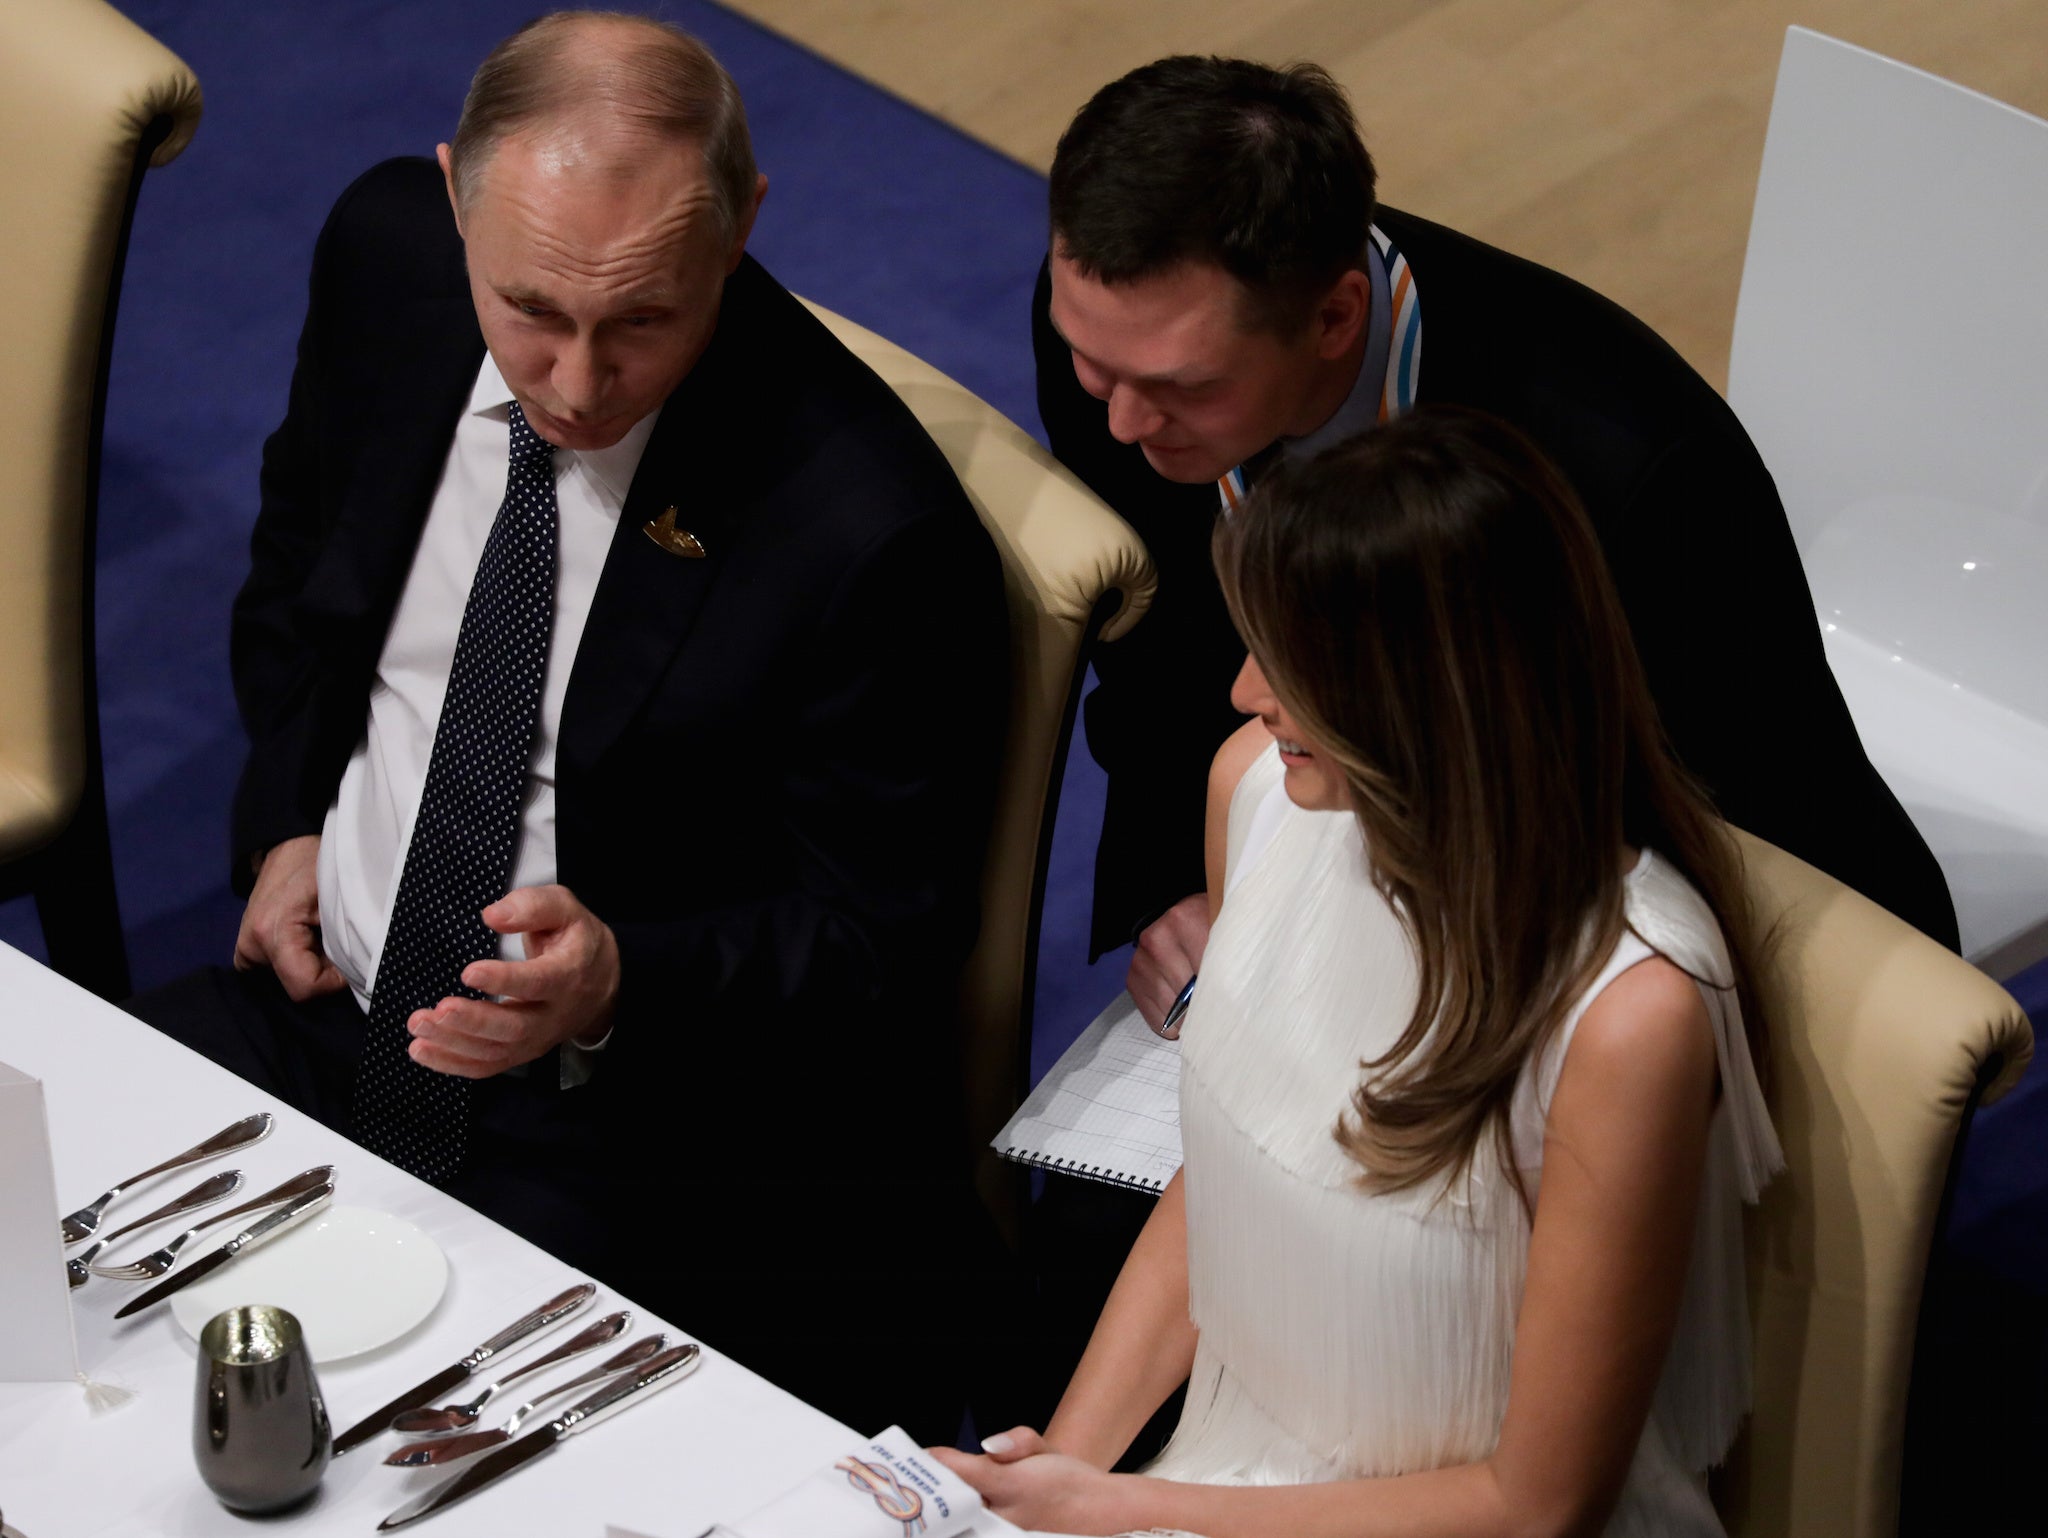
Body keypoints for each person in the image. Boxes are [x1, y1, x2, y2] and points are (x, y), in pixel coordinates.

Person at [125, 12, 1008, 1441]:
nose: (577, 386)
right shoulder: (388, 259)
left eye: (644, 320)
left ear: (744, 228)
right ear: (455, 200)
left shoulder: (869, 531)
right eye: (531, 309)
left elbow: (877, 942)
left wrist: (615, 981)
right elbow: (300, 579)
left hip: (622, 1137)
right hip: (308, 1014)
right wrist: (286, 816)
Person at [937, 408, 1782, 1537]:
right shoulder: (1253, 790)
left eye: (1289, 664)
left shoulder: (1629, 1014)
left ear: (1433, 692)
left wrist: (1123, 1502)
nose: (1243, 692)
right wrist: (1061, 1473)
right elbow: (1223, 1173)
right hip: (1228, 1478)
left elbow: (1537, 1504)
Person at [1034, 55, 1957, 1034]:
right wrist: (1177, 882)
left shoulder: (1629, 478)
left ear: (1336, 316)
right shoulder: (1119, 334)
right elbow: (1154, 647)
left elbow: (1727, 819)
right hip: (1315, 889)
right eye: (1093, 364)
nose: (1123, 420)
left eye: (1180, 386)